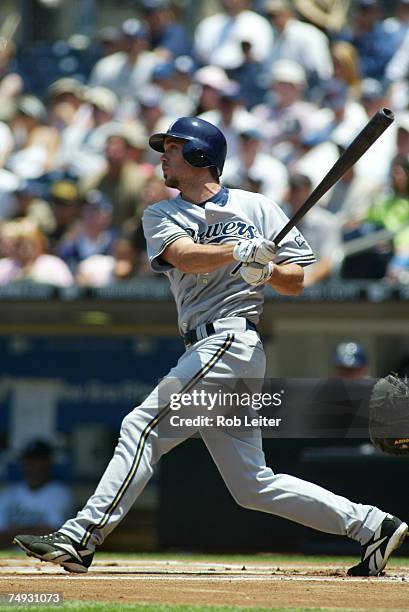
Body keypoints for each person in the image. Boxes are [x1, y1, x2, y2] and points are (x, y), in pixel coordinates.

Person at [14, 116, 408, 577]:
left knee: (141, 428)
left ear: (201, 155)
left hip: (230, 341)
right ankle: (370, 524)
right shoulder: (161, 213)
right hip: (208, 346)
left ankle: (82, 535)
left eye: (173, 148)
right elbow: (183, 255)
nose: (163, 156)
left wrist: (267, 271)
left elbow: (296, 280)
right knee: (252, 484)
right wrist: (240, 252)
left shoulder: (257, 206)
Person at [0, 440, 73, 548]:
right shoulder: (8, 493)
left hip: (46, 558)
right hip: (9, 559)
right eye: (29, 460)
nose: (33, 465)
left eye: (38, 460)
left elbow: (52, 535)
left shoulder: (60, 493)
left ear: (48, 463)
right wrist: (34, 531)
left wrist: (14, 533)